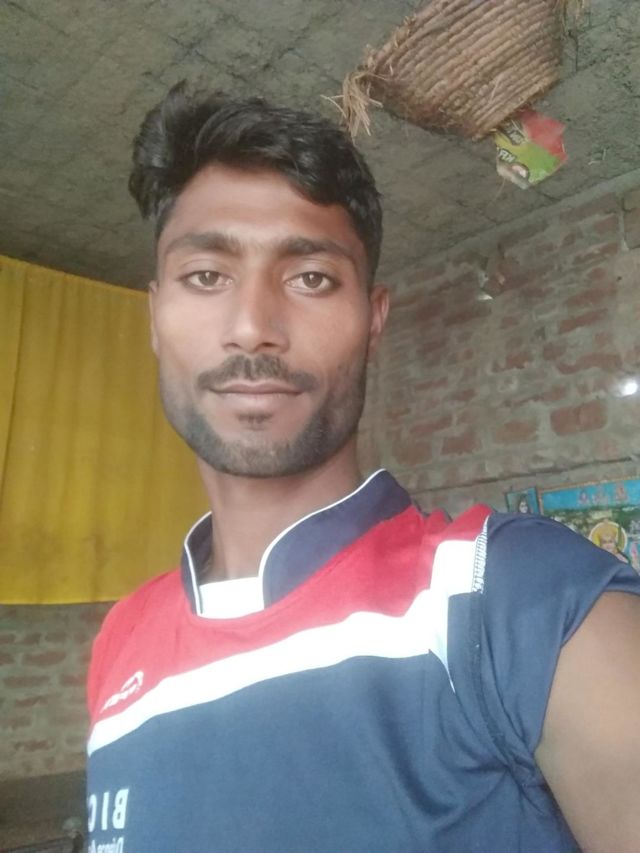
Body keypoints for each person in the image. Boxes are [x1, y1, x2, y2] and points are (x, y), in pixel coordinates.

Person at [86, 83, 640, 853]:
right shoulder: (120, 640)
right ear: (154, 316)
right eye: (206, 275)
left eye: (311, 277)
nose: (252, 326)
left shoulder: (526, 602)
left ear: (373, 319)